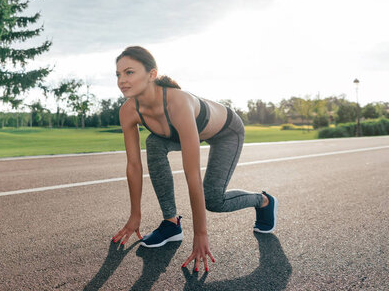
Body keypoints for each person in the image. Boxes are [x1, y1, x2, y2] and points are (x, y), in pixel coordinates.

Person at [111, 46, 277, 273]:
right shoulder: (128, 111)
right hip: (186, 133)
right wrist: (134, 217)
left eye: (129, 72)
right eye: (118, 74)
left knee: (214, 201)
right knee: (153, 143)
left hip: (226, 131)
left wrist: (200, 234)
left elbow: (192, 174)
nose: (122, 80)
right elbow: (133, 165)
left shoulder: (177, 103)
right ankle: (171, 224)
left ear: (151, 74)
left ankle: (264, 201)